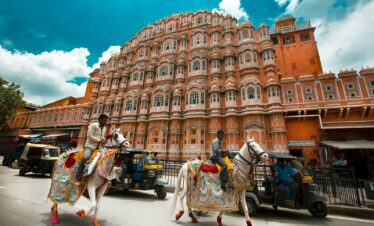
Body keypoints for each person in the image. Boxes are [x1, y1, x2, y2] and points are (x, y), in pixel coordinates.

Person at [74, 114, 109, 185]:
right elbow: (89, 136)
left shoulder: (104, 128)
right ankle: (77, 177)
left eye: (106, 121)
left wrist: (104, 141)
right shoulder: (93, 125)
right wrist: (99, 140)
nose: (106, 122)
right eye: (105, 121)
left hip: (99, 148)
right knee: (85, 157)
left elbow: (102, 137)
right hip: (90, 146)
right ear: (100, 120)